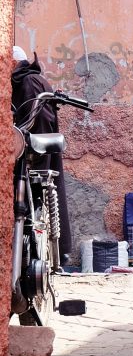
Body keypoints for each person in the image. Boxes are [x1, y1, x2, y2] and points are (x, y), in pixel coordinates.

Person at [11, 46, 73, 265]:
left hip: (35, 151)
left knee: (39, 196)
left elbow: (35, 120)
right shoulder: (31, 79)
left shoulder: (27, 81)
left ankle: (53, 254)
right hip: (34, 149)